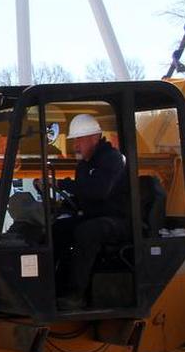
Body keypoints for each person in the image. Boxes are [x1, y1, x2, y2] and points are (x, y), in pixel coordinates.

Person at [52, 113, 130, 310]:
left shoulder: (112, 159)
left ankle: (76, 294)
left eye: (79, 140)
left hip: (119, 221)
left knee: (87, 231)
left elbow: (99, 191)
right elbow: (81, 196)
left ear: (94, 138)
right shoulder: (84, 165)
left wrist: (64, 184)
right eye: (75, 140)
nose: (76, 145)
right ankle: (52, 286)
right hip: (93, 216)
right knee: (58, 228)